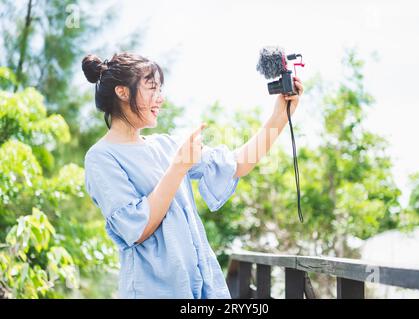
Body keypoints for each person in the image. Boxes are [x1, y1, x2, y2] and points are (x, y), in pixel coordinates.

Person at [82, 52, 303, 298]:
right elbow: (137, 228)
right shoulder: (101, 157)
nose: (160, 98)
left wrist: (280, 116)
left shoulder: (166, 145)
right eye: (152, 88)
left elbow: (236, 164)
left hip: (202, 290)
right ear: (122, 92)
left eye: (160, 89)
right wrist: (179, 166)